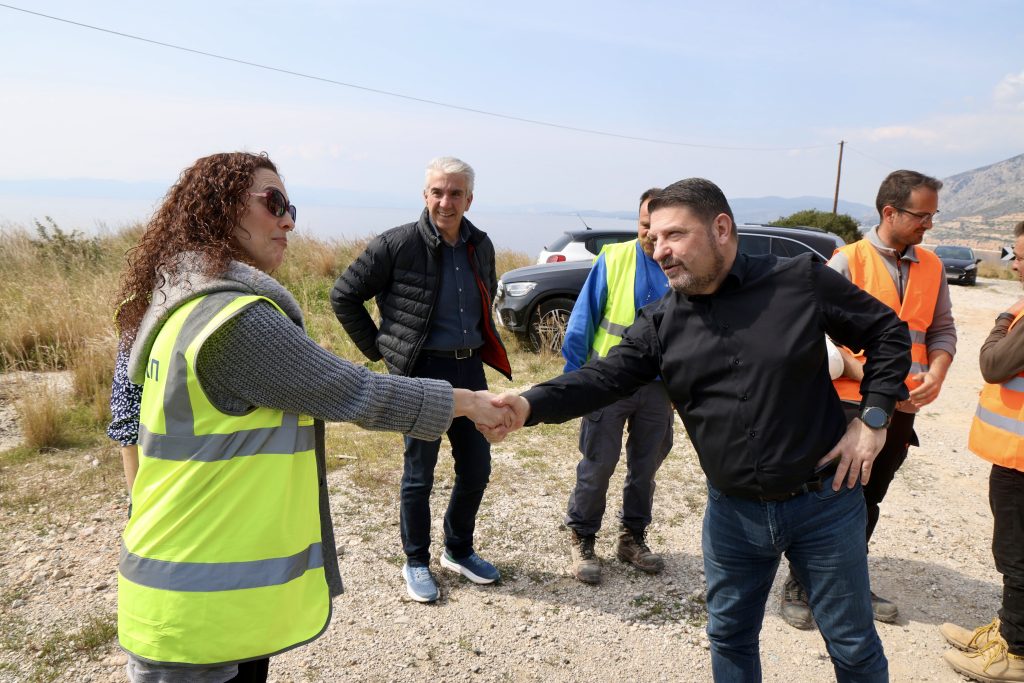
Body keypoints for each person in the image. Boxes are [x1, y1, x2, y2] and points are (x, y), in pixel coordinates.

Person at [483, 177, 911, 682]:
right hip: (733, 517)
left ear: (721, 229)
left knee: (853, 646)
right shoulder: (661, 323)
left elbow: (887, 332)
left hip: (824, 506)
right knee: (729, 637)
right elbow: (602, 378)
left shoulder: (799, 279)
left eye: (674, 235)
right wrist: (526, 404)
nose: (659, 250)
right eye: (653, 238)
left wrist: (874, 418)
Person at [111, 152, 508, 683]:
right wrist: (465, 401)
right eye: (273, 202)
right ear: (220, 207)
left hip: (194, 583)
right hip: (194, 605)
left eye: (290, 207)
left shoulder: (175, 302)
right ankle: (418, 559)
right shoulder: (232, 320)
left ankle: (457, 550)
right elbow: (354, 391)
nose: (289, 221)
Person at [330, 156, 512, 604]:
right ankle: (415, 561)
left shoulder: (480, 244)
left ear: (469, 199)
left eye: (455, 193)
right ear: (425, 195)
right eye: (437, 192)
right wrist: (381, 350)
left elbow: (485, 295)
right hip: (420, 373)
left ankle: (458, 550)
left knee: (477, 468)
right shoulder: (396, 244)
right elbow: (344, 295)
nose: (445, 202)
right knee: (419, 474)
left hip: (470, 369)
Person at [780, 169, 957, 628]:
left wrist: (938, 372)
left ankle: (850, 580)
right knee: (828, 496)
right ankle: (800, 582)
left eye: (933, 216)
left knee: (869, 498)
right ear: (890, 212)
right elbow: (809, 333)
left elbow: (941, 330)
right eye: (921, 216)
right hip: (846, 406)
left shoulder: (933, 266)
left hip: (903, 410)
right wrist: (871, 374)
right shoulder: (847, 262)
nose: (929, 224)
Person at [560, 188, 674, 584]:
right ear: (637, 222)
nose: (651, 234)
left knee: (645, 469)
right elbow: (582, 321)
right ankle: (582, 536)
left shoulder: (681, 265)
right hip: (607, 382)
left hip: (658, 388)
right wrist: (575, 382)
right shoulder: (613, 258)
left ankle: (632, 538)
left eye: (660, 226)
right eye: (645, 224)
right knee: (598, 465)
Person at [940, 220, 1024, 683]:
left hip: (1020, 458)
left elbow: (993, 364)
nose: (1015, 267)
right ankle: (1009, 633)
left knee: (1015, 555)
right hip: (1016, 454)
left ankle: (1015, 654)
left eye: (1021, 258)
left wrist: (1003, 321)